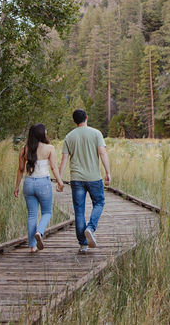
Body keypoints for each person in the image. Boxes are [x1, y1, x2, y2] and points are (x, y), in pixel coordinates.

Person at [59, 108, 111, 254]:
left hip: (76, 179)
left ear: (74, 121)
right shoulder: (96, 133)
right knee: (99, 203)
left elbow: (64, 159)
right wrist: (108, 172)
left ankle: (83, 244)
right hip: (94, 177)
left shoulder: (69, 137)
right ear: (86, 118)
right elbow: (102, 153)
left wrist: (60, 179)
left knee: (79, 211)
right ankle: (91, 227)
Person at [14, 123, 64, 253]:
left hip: (28, 183)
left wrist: (17, 187)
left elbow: (20, 170)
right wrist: (60, 182)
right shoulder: (49, 148)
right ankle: (40, 232)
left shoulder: (24, 149)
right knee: (47, 212)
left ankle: (32, 246)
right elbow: (53, 167)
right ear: (42, 134)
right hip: (43, 184)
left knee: (32, 215)